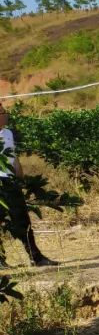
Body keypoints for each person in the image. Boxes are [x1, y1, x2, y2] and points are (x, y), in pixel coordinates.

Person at [0, 107, 56, 267]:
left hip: (10, 182)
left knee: (22, 220)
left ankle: (35, 257)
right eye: (3, 113)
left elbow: (13, 157)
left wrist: (20, 178)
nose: (6, 115)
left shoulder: (8, 133)